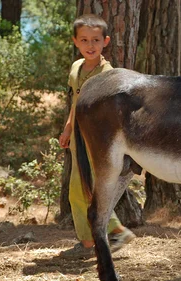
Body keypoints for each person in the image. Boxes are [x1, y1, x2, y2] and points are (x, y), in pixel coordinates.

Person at [58, 14, 135, 260]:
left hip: (100, 139)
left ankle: (116, 232)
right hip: (78, 136)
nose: (90, 45)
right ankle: (88, 241)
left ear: (105, 42)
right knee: (75, 190)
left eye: (95, 40)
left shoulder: (108, 74)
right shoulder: (76, 68)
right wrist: (68, 128)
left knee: (93, 187)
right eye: (84, 40)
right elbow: (75, 102)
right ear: (75, 42)